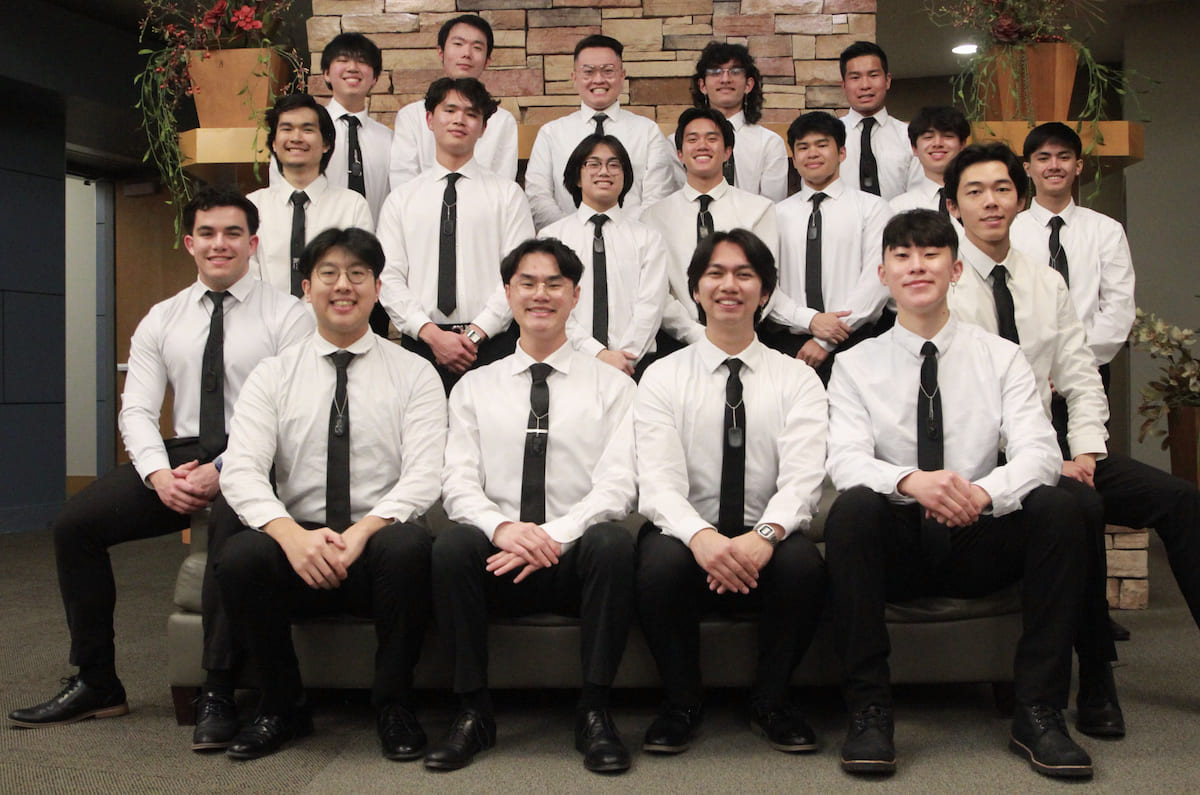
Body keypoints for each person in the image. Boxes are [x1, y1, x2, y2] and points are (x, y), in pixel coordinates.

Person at [9, 187, 314, 737]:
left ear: (254, 243)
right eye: (208, 233)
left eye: (233, 233)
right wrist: (156, 474)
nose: (220, 244)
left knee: (228, 520)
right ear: (189, 242)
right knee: (75, 526)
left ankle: (217, 690)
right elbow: (138, 409)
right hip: (181, 453)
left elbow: (292, 412)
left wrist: (223, 471)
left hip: (261, 454)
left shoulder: (290, 315)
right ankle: (97, 681)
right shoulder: (163, 318)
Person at [824, 208, 1093, 779]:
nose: (916, 266)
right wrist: (910, 481)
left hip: (978, 537)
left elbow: (1041, 452)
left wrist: (981, 494)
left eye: (930, 254)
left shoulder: (1000, 356)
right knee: (852, 510)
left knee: (1060, 507)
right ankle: (869, 710)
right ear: (883, 273)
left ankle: (1038, 711)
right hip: (897, 542)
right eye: (902, 256)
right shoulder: (854, 365)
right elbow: (844, 460)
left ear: (956, 270)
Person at [946, 142, 1200, 737]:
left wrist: (1084, 451)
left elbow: (1081, 377)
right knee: (1080, 509)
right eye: (975, 192)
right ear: (954, 206)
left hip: (1059, 449)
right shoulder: (944, 281)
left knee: (1182, 501)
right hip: (988, 462)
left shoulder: (1045, 281)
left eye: (1003, 189)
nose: (990, 202)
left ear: (1022, 195)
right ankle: (1098, 680)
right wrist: (1050, 464)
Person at [214, 227, 446, 761]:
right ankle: (282, 706)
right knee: (241, 556)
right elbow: (242, 470)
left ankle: (394, 705)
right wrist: (292, 537)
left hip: (379, 551)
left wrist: (365, 530)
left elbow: (425, 473)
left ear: (378, 287)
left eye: (358, 274)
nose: (344, 286)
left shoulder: (416, 374)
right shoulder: (273, 375)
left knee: (409, 546)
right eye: (329, 274)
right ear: (306, 287)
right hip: (302, 551)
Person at [428, 238, 638, 774]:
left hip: (575, 561)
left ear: (575, 296)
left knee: (614, 542)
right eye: (527, 282)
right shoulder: (474, 387)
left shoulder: (613, 387)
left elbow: (618, 486)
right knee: (452, 545)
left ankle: (594, 709)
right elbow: (456, 483)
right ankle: (473, 711)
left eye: (554, 284)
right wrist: (503, 530)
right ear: (507, 293)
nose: (540, 294)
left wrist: (555, 537)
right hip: (498, 561)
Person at [635, 229, 828, 757]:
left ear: (764, 293)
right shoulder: (661, 377)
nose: (729, 285)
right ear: (696, 289)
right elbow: (656, 480)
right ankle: (682, 703)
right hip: (687, 536)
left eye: (745, 275)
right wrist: (703, 539)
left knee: (803, 567)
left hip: (765, 534)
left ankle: (772, 702)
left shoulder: (798, 379)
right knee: (657, 565)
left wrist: (762, 537)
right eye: (715, 274)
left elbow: (805, 477)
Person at [377, 77, 535, 393]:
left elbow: (521, 275)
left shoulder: (507, 195)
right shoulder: (402, 199)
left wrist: (475, 334)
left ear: (483, 127)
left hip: (493, 344)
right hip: (422, 345)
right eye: (449, 110)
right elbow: (388, 277)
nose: (459, 119)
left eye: (471, 113)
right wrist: (432, 335)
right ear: (429, 119)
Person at [763, 111, 893, 381]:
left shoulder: (872, 208)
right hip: (790, 345)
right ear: (794, 158)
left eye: (822, 145)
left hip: (858, 343)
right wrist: (808, 320)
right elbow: (765, 285)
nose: (812, 153)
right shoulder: (774, 214)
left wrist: (825, 340)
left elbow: (877, 281)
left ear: (842, 152)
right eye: (803, 147)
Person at [641, 107, 778, 355]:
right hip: (676, 345)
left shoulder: (759, 209)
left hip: (745, 340)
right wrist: (696, 335)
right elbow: (655, 290)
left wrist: (733, 331)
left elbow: (768, 280)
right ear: (680, 153)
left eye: (712, 138)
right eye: (692, 139)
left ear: (727, 151)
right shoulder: (653, 217)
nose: (702, 145)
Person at [539, 134, 669, 377]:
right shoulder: (551, 238)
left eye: (614, 164)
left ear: (626, 176)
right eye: (594, 164)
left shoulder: (648, 238)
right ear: (577, 176)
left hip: (634, 366)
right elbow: (551, 305)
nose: (604, 172)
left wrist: (624, 358)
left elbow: (651, 304)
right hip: (569, 362)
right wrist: (597, 354)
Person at [1011, 122, 1135, 374]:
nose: (1054, 166)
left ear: (1078, 166)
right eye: (1043, 158)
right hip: (1021, 370)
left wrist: (1073, 364)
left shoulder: (1106, 231)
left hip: (1089, 368)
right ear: (1028, 168)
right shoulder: (1008, 232)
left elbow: (1118, 308)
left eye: (1063, 157)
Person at [525, 34, 681, 229]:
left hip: (633, 244)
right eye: (588, 72)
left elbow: (657, 197)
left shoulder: (648, 132)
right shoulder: (551, 133)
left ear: (622, 75)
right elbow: (538, 197)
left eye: (608, 71)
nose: (598, 80)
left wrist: (622, 234)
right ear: (574, 77)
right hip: (566, 247)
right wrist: (572, 234)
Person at [248, 93, 373, 297]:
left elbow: (358, 277)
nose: (296, 138)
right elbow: (247, 279)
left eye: (307, 129)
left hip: (332, 325)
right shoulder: (253, 207)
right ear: (274, 143)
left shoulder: (352, 206)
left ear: (326, 144)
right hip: (267, 325)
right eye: (287, 129)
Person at [272, 33, 392, 224]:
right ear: (326, 73)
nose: (352, 68)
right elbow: (278, 195)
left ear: (375, 78)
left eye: (362, 61)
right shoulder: (302, 135)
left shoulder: (389, 139)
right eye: (343, 60)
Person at [388, 14, 519, 187]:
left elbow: (504, 187)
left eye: (477, 48)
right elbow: (403, 185)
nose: (466, 54)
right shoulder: (411, 116)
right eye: (458, 44)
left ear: (487, 61)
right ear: (440, 51)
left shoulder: (503, 121)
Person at [689, 41, 789, 202]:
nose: (725, 79)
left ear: (748, 84)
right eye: (715, 72)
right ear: (702, 86)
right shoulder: (679, 143)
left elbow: (771, 209)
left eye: (735, 72)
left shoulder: (769, 143)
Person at [836, 41, 922, 201]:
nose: (865, 85)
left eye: (873, 75)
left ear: (887, 81)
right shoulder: (830, 138)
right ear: (844, 85)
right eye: (855, 77)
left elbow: (919, 197)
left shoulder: (909, 136)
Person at [889, 106, 970, 217]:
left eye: (947, 136)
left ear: (962, 145)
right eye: (928, 137)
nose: (937, 143)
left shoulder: (981, 199)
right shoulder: (899, 208)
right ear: (914, 148)